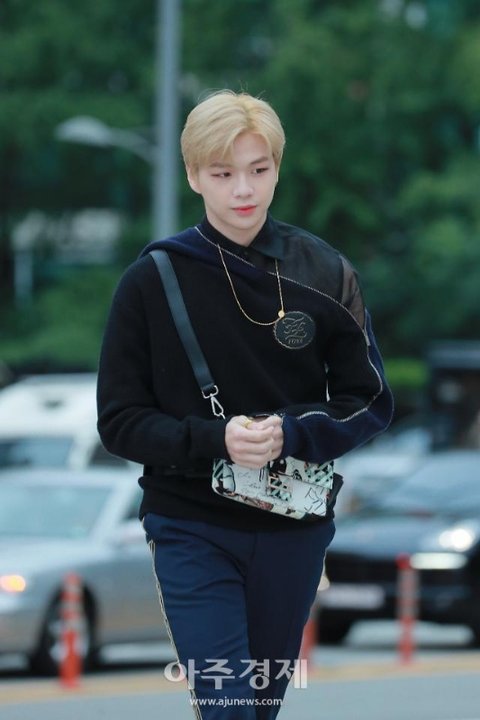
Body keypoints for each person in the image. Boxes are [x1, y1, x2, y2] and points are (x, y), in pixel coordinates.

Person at [97, 90, 394, 719]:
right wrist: (218, 439)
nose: (242, 190)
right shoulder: (151, 279)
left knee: (258, 706)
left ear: (277, 169)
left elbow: (368, 400)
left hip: (294, 525)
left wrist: (290, 431)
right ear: (193, 176)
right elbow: (120, 422)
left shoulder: (326, 273)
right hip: (190, 524)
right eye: (222, 173)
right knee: (227, 702)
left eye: (258, 170)